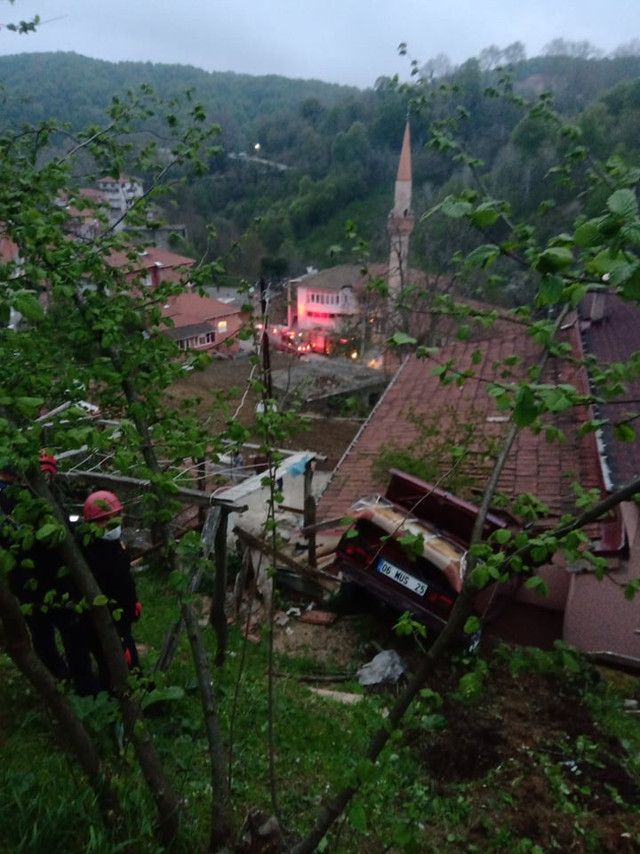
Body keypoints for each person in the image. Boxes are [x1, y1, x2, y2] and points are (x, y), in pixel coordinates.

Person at [80, 490, 141, 690]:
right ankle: (116, 693)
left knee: (127, 654)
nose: (112, 524)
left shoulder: (113, 545)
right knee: (114, 659)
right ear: (92, 523)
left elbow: (125, 580)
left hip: (122, 615)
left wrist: (133, 604)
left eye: (114, 517)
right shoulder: (88, 552)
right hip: (104, 617)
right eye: (105, 519)